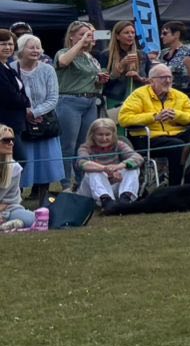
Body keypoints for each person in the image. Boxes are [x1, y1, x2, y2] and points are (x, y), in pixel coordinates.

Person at [116, 62, 190, 186]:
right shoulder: (139, 95)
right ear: (151, 81)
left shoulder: (179, 96)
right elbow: (124, 118)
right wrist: (154, 117)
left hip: (175, 134)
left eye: (169, 77)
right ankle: (175, 187)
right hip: (148, 138)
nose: (167, 81)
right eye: (163, 78)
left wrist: (176, 115)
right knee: (177, 146)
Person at [54, 16, 104, 191]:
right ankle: (66, 183)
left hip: (90, 100)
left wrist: (100, 80)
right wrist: (81, 43)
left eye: (89, 34)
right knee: (68, 144)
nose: (87, 37)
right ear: (72, 37)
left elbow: (91, 80)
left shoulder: (91, 57)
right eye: (82, 34)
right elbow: (63, 62)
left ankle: (83, 182)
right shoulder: (63, 52)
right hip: (69, 101)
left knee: (84, 145)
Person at [12, 34, 62, 207]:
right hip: (19, 124)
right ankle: (15, 201)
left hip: (44, 123)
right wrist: (25, 113)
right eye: (31, 47)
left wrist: (35, 112)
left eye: (38, 47)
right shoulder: (11, 69)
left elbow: (53, 97)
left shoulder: (48, 70)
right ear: (20, 49)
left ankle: (43, 203)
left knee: (45, 165)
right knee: (20, 163)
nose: (35, 51)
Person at [74, 118, 142, 205]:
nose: (104, 138)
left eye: (107, 135)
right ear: (93, 135)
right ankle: (106, 201)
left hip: (114, 184)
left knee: (132, 168)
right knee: (93, 171)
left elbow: (138, 158)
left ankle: (125, 198)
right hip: (92, 189)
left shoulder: (119, 144)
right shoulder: (85, 147)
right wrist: (105, 169)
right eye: (100, 135)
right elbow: (82, 163)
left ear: (113, 135)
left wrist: (119, 166)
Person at [102, 20, 144, 114]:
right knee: (117, 127)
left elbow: (150, 79)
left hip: (137, 98)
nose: (130, 35)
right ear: (117, 36)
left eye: (133, 32)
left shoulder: (142, 55)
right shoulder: (107, 55)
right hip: (115, 98)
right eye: (126, 33)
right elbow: (104, 83)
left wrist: (139, 77)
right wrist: (121, 65)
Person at [0, 126, 32, 230]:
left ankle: (6, 222)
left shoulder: (14, 167)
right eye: (6, 140)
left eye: (12, 140)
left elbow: (12, 199)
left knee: (32, 219)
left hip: (8, 209)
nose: (11, 143)